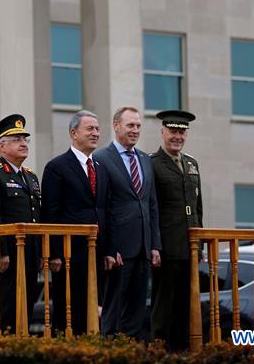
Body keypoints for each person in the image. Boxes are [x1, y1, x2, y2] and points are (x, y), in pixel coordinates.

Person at [95, 106, 161, 341]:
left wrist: (155, 245)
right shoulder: (101, 158)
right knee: (114, 309)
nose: (135, 130)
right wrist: (110, 248)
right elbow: (102, 208)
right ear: (116, 126)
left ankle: (132, 351)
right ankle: (111, 353)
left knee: (136, 310)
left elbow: (151, 205)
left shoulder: (145, 159)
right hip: (119, 251)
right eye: (130, 125)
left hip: (143, 248)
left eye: (138, 126)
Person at [41, 109, 107, 336]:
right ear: (73, 132)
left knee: (94, 314)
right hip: (69, 255)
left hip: (96, 253)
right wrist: (55, 252)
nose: (96, 133)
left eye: (97, 129)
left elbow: (104, 210)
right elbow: (50, 213)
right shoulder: (57, 167)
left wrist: (109, 249)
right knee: (69, 313)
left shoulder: (99, 167)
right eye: (90, 129)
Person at [0, 113, 41, 335]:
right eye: (17, 140)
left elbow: (36, 216)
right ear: (2, 147)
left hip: (28, 253)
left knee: (27, 307)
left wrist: (40, 252)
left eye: (25, 139)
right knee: (5, 310)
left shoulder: (30, 176)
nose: (23, 144)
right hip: (6, 254)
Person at [150, 109, 203, 351]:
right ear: (163, 132)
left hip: (190, 246)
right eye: (173, 131)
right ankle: (160, 349)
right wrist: (155, 244)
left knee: (186, 302)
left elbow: (197, 207)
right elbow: (152, 208)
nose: (177, 137)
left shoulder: (191, 163)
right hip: (167, 247)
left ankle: (182, 351)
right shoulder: (152, 163)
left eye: (182, 132)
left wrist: (200, 241)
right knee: (164, 303)